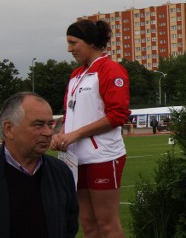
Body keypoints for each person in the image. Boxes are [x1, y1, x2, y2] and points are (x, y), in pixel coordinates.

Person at [52, 19, 131, 238]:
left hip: (103, 157)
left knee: (107, 224)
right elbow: (71, 113)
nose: (69, 49)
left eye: (73, 42)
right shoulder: (76, 75)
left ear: (90, 42)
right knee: (87, 223)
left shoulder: (111, 69)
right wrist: (60, 134)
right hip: (75, 159)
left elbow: (117, 115)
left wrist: (75, 134)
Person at [1, 92, 79, 237]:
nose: (48, 132)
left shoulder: (61, 172)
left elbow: (70, 226)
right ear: (9, 129)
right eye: (38, 125)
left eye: (50, 124)